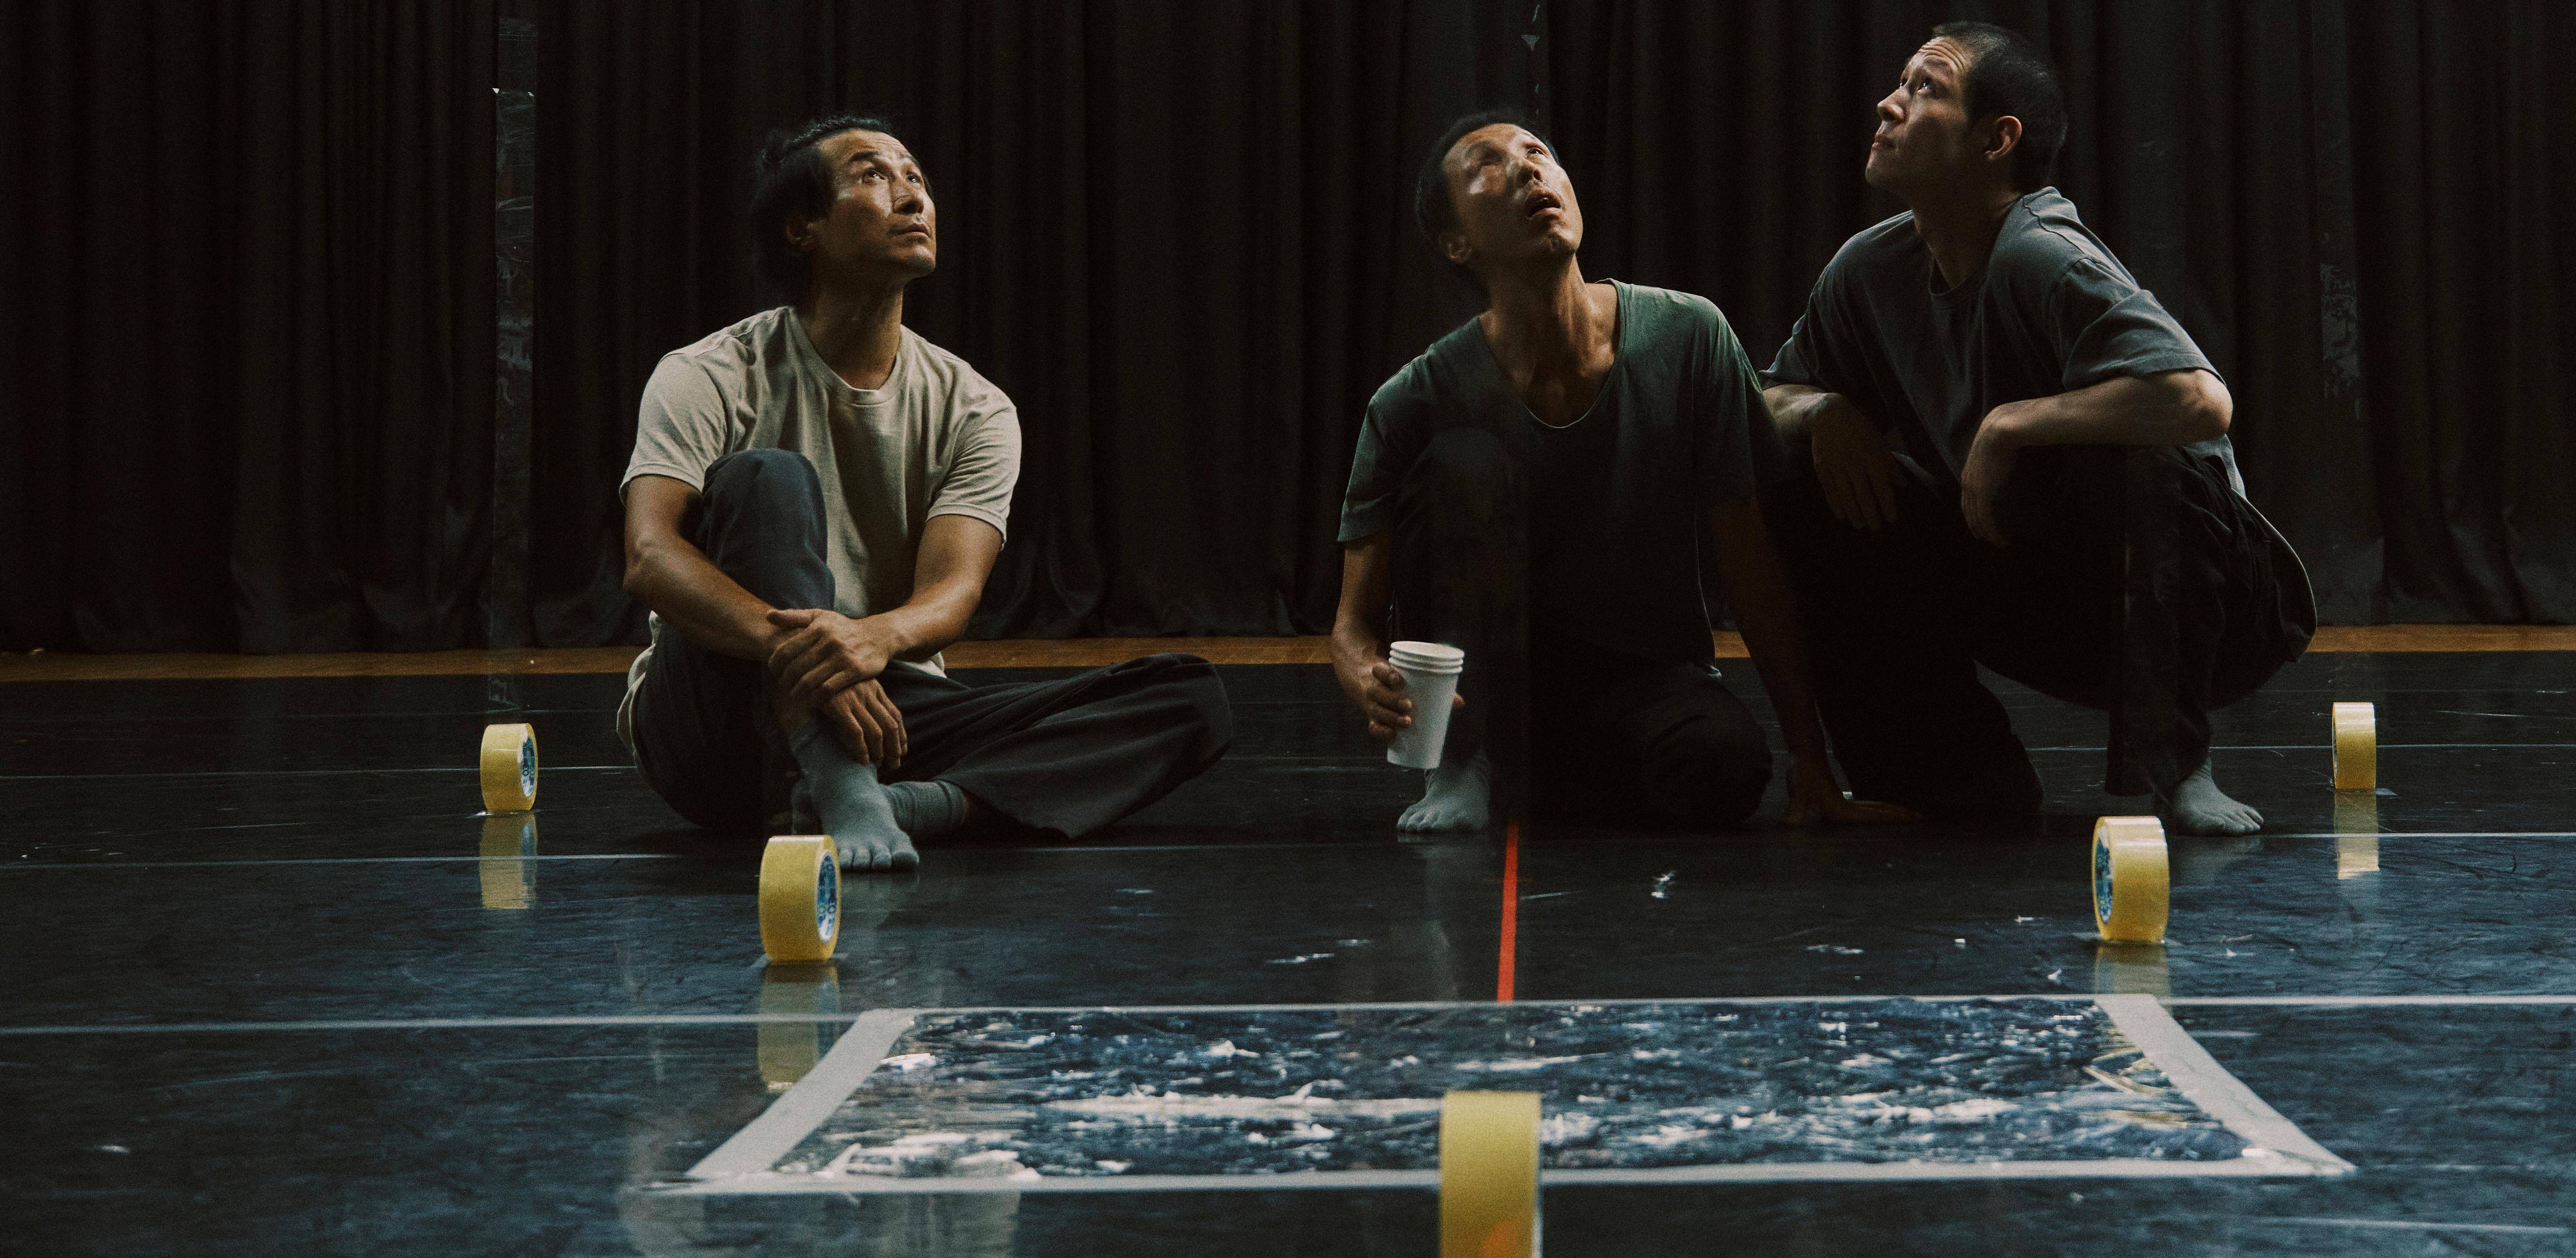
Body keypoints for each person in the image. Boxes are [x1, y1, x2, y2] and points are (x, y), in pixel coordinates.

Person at [614, 115, 1231, 870]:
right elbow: (650, 555)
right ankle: (841, 777)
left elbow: (952, 595)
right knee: (768, 476)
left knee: (1189, 699)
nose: (912, 197)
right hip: (719, 719)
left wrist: (869, 643)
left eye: (916, 178)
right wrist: (806, 656)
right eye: (873, 175)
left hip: (885, 715)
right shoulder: (707, 374)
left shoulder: (975, 407)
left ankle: (915, 806)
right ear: (803, 229)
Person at [1760, 25, 2315, 834]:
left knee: (2149, 463)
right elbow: (1768, 397)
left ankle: (2177, 766)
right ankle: (1955, 774)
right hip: (2038, 584)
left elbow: (2200, 401)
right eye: (1900, 83)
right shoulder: (1869, 270)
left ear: (1997, 140)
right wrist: (1825, 410)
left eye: (1926, 88)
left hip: (2209, 609)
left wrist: (2009, 425)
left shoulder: (2040, 251)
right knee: (1799, 475)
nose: (1889, 104)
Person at [1328, 111, 1906, 837]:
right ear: (1456, 243)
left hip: (1647, 680)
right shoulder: (1413, 398)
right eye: (1488, 164)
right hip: (1496, 687)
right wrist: (1365, 675)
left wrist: (1810, 758)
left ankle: (1540, 783)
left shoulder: (1689, 334)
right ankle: (1468, 761)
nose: (1529, 167)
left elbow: (1750, 563)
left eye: (1539, 152)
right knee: (1460, 455)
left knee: (1724, 770)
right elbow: (1352, 621)